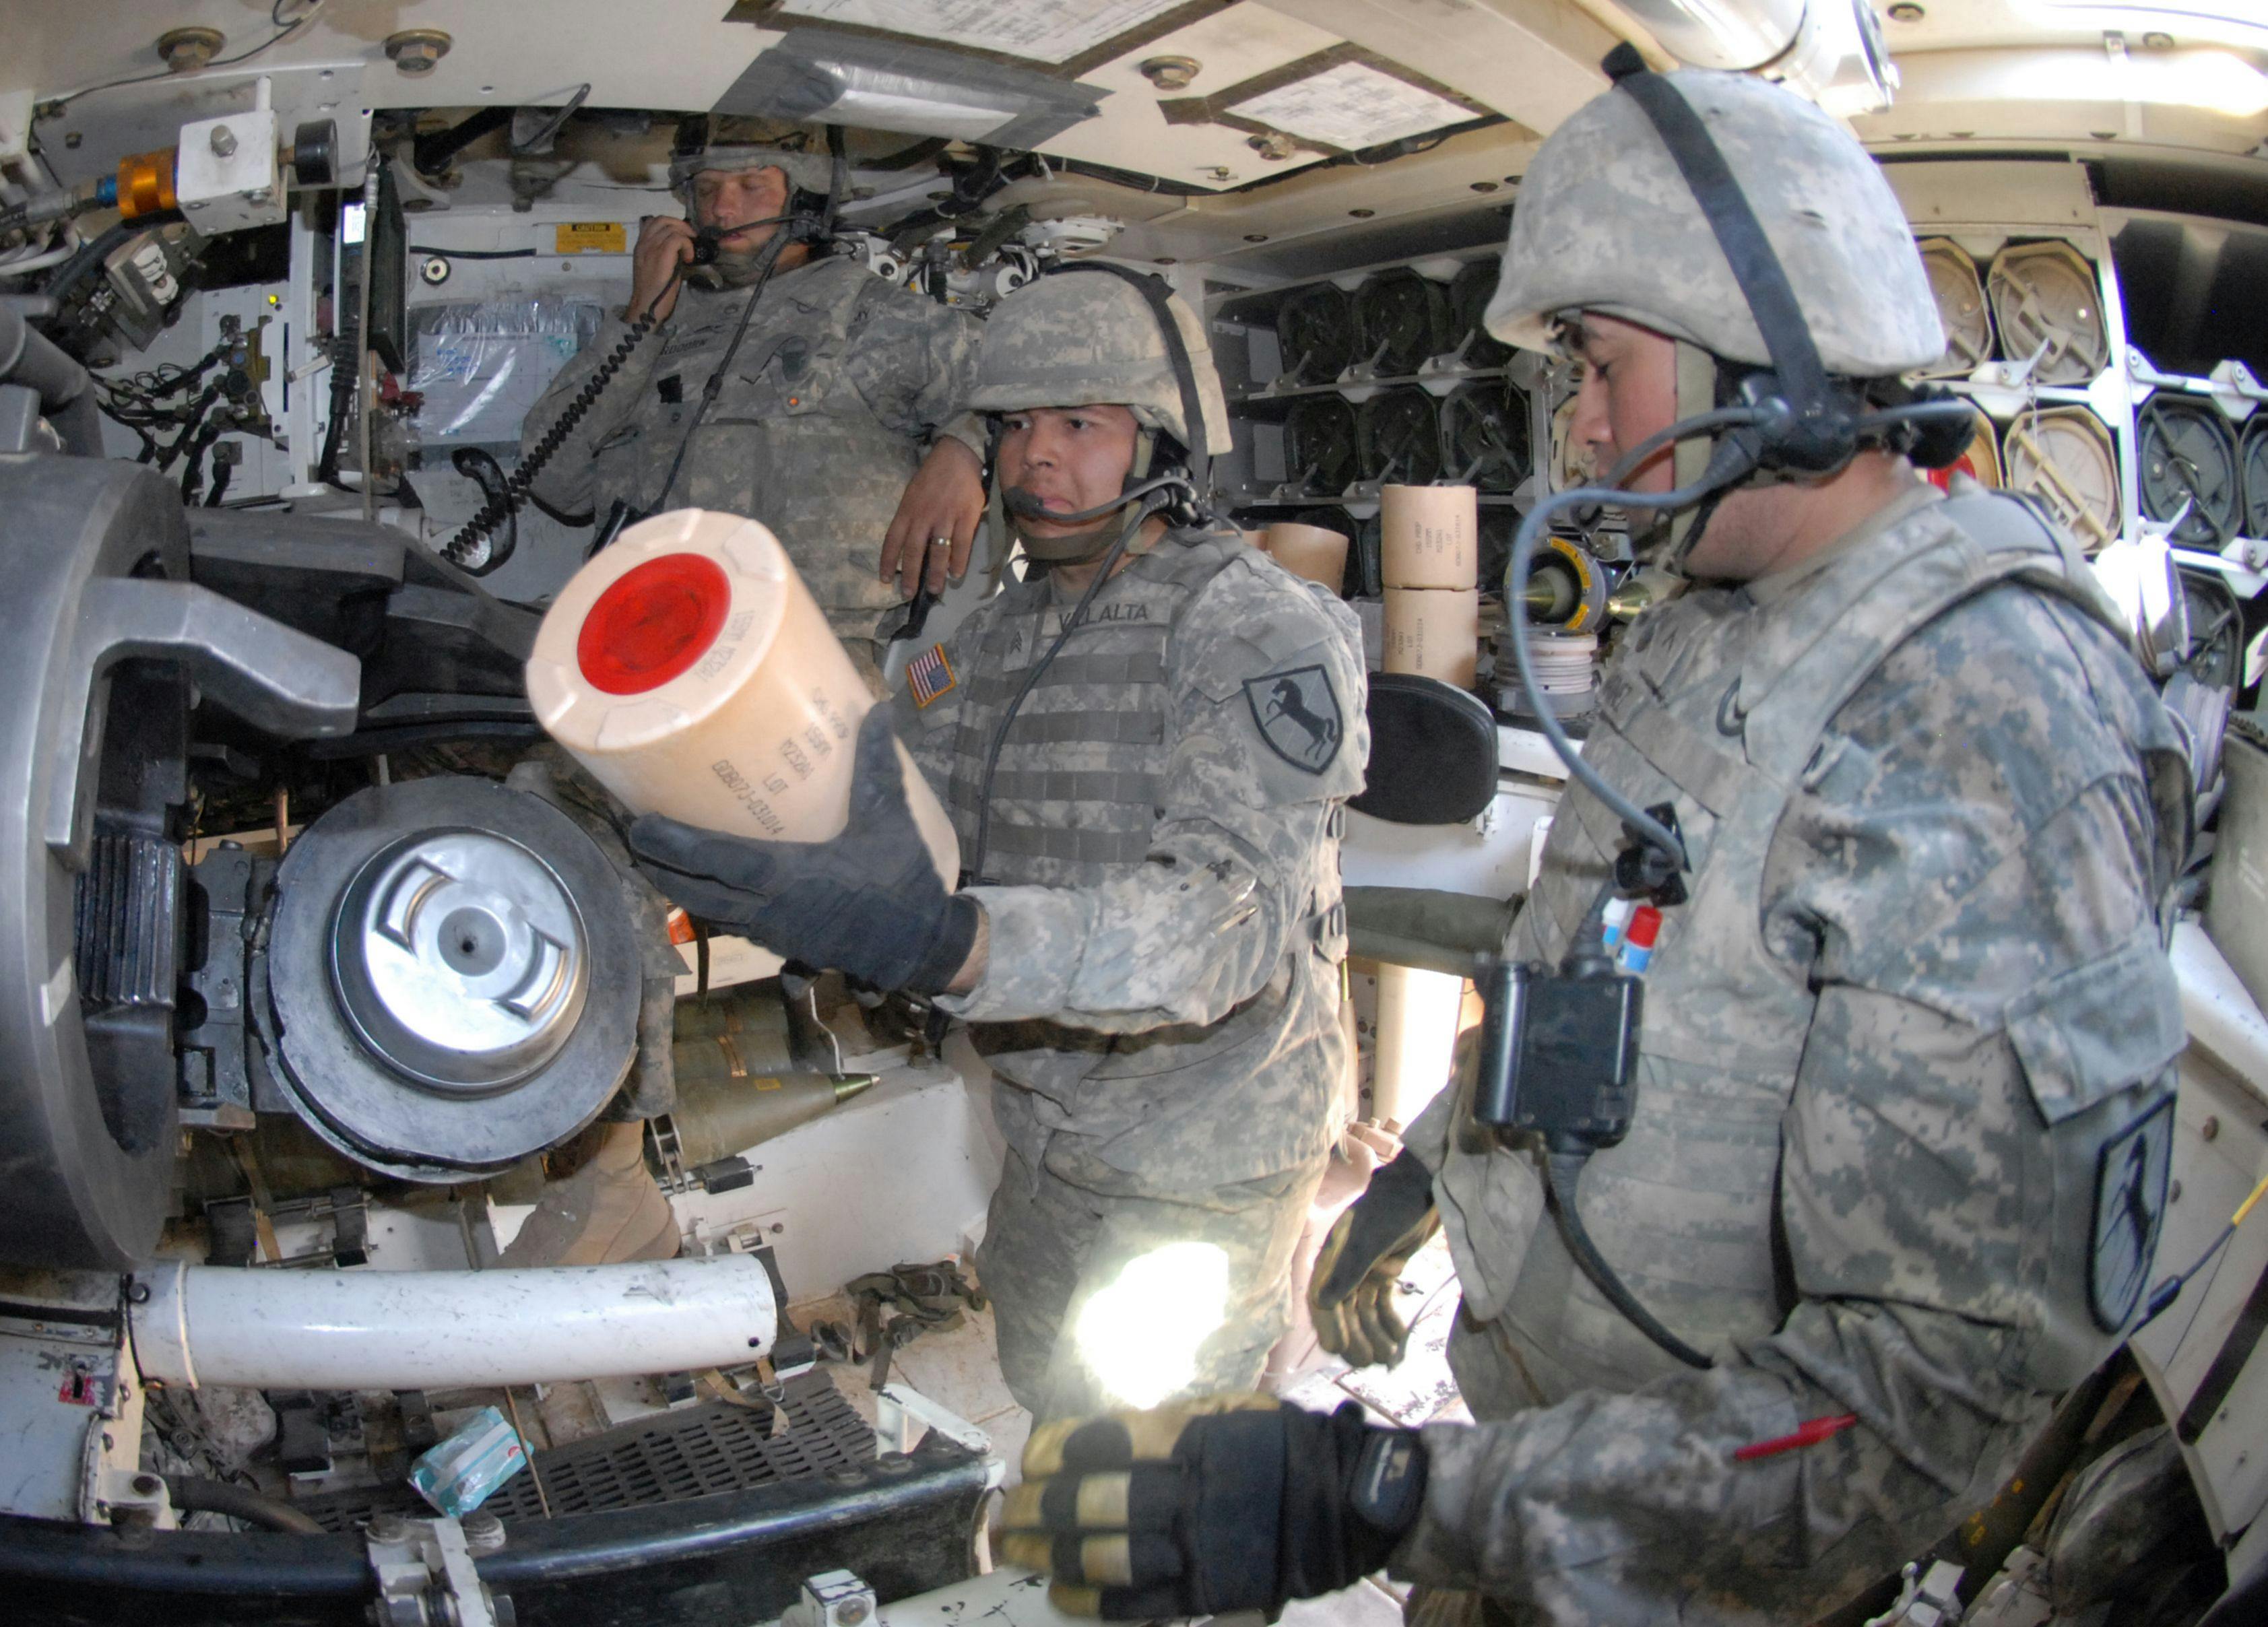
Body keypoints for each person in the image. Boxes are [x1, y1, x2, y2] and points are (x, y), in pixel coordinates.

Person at [990, 55, 2192, 1627]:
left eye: (1607, 363)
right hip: (1548, 1472)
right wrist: (1432, 1168)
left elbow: (1913, 1400)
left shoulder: (1981, 711)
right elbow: (1601, 967)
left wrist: (1395, 1499)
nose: (1585, 421)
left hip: (1717, 1555)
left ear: (1768, 359)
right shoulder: (1721, 618)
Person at [627, 267, 1369, 1422]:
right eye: (1015, 424)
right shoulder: (986, 636)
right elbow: (890, 762)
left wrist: (957, 942)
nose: (1035, 455)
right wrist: (748, 811)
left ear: (1164, 442)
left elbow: (1225, 924)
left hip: (1203, 1150)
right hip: (1045, 1134)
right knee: (1046, 1394)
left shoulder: (1255, 625)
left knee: (1156, 1470)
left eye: (1079, 423)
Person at [517, 119, 987, 684]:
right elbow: (552, 481)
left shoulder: (867, 314)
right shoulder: (655, 325)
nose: (721, 209)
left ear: (805, 194)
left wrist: (962, 451)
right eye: (707, 189)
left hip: (804, 661)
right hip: (640, 656)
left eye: (751, 186)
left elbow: (1030, 386)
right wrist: (640, 319)